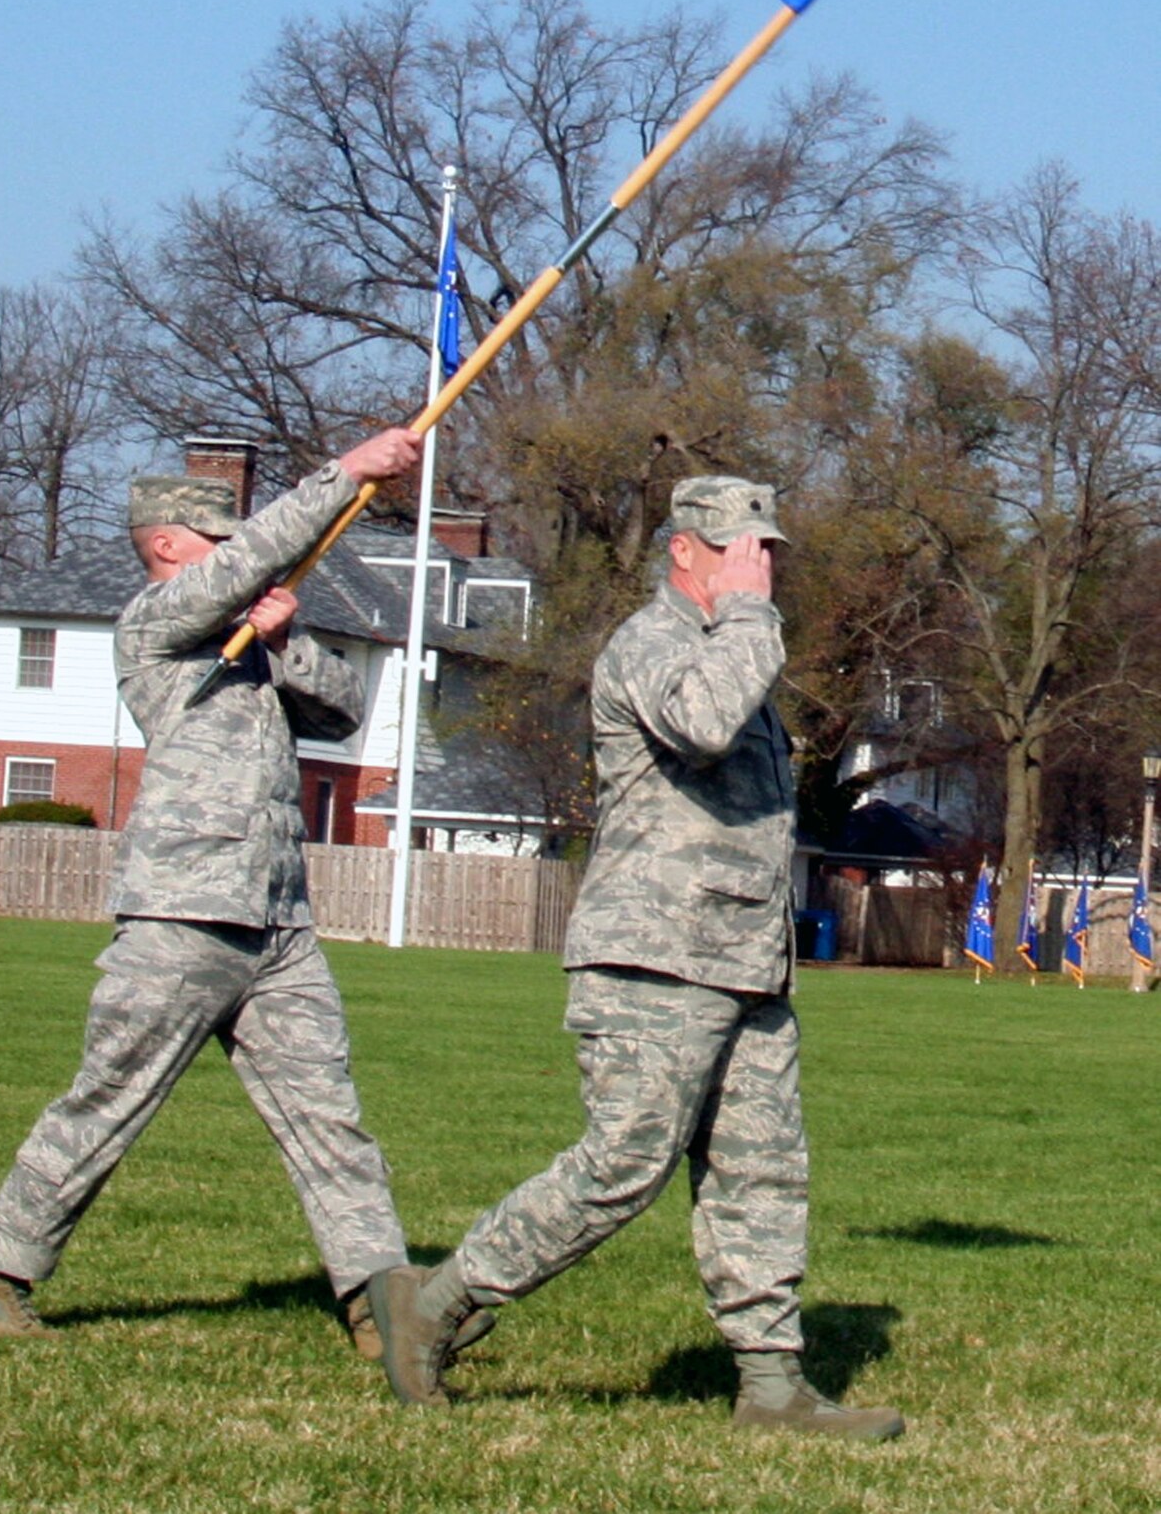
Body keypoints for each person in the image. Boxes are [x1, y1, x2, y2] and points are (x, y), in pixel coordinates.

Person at [368, 476, 904, 1439]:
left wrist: (743, 619)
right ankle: (436, 1303)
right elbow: (701, 726)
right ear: (682, 552)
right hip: (652, 958)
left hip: (743, 961)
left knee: (763, 1172)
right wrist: (747, 614)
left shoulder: (734, 648)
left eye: (769, 550)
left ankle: (770, 1386)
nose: (761, 566)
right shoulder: (649, 646)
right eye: (742, 548)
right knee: (623, 1166)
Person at [0, 429, 441, 1356]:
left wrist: (288, 639)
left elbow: (341, 708)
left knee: (329, 1115)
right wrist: (348, 473)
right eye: (219, 542)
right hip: (181, 914)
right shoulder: (156, 624)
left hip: (277, 920)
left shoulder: (248, 643)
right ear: (171, 546)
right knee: (109, 1099)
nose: (234, 553)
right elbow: (255, 558)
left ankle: (382, 1304)